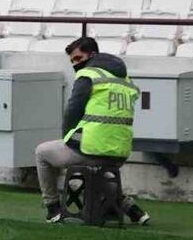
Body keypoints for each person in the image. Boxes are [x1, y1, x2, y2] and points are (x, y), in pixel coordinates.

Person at [35, 36, 150, 225]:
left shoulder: (88, 75)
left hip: (93, 147)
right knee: (97, 172)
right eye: (72, 61)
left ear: (92, 55)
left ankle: (53, 208)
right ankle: (133, 210)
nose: (75, 64)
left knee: (42, 153)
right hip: (120, 151)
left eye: (79, 59)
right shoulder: (125, 80)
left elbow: (72, 112)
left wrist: (67, 137)